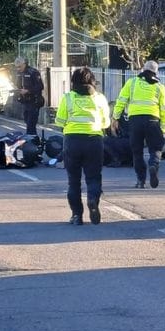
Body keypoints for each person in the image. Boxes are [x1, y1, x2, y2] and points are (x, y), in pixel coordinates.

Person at [55, 67, 111, 225]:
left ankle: (77, 216)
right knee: (93, 177)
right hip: (94, 141)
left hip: (72, 141)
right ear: (92, 80)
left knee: (73, 181)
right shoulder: (99, 98)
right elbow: (106, 122)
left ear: (74, 81)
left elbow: (59, 121)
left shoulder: (68, 98)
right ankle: (93, 199)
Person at [111, 60, 165, 189]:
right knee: (156, 148)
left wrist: (115, 118)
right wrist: (163, 129)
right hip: (153, 120)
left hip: (135, 121)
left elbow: (121, 101)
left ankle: (140, 181)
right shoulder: (159, 87)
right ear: (156, 72)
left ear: (143, 69)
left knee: (137, 152)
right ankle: (153, 164)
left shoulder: (132, 83)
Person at [15, 57, 44, 135]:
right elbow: (18, 85)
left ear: (24, 64)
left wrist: (28, 91)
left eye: (20, 66)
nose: (18, 68)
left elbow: (40, 86)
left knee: (31, 124)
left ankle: (32, 141)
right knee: (27, 121)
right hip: (25, 101)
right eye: (17, 67)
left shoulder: (33, 72)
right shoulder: (19, 73)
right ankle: (33, 140)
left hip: (34, 101)